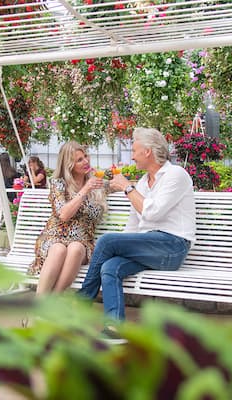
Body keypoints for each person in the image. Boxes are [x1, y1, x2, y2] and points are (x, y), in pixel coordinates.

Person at [78, 127, 195, 325]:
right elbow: (134, 225)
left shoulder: (176, 175)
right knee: (110, 267)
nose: (132, 157)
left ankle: (81, 302)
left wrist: (126, 187)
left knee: (107, 240)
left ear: (147, 151)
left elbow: (153, 212)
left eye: (134, 151)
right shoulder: (142, 183)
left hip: (172, 247)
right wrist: (119, 248)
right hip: (148, 248)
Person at [28, 141, 106, 294]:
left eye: (85, 157)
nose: (86, 162)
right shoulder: (58, 184)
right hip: (54, 237)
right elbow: (63, 215)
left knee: (76, 248)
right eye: (79, 160)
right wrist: (85, 190)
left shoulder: (96, 184)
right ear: (69, 164)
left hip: (83, 241)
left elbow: (117, 184)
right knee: (58, 250)